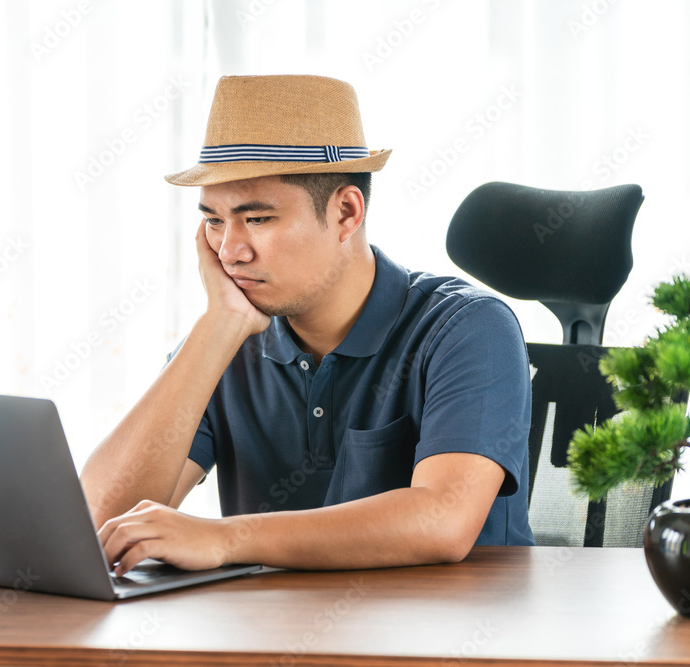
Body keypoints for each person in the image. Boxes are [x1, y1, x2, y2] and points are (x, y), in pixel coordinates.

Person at [80, 74, 534, 577]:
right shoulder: (224, 342)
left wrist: (226, 537)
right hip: (278, 645)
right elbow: (99, 525)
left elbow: (443, 520)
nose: (230, 252)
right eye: (214, 220)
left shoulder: (468, 328)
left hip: (453, 643)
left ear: (346, 212)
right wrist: (217, 327)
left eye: (256, 220)